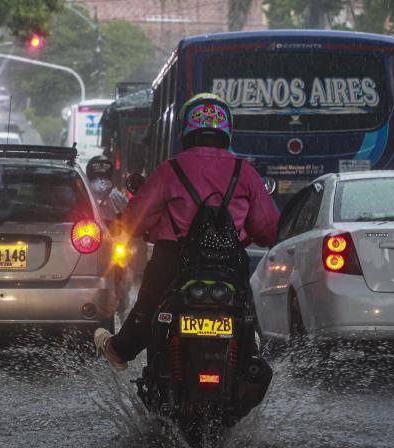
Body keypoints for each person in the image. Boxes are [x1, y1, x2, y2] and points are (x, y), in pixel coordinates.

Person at [94, 93, 280, 369]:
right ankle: (248, 357)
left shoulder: (171, 169)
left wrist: (127, 225)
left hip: (174, 261)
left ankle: (122, 349)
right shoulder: (245, 171)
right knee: (244, 312)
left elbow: (136, 218)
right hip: (229, 262)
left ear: (186, 130)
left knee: (149, 307)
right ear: (227, 130)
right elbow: (268, 229)